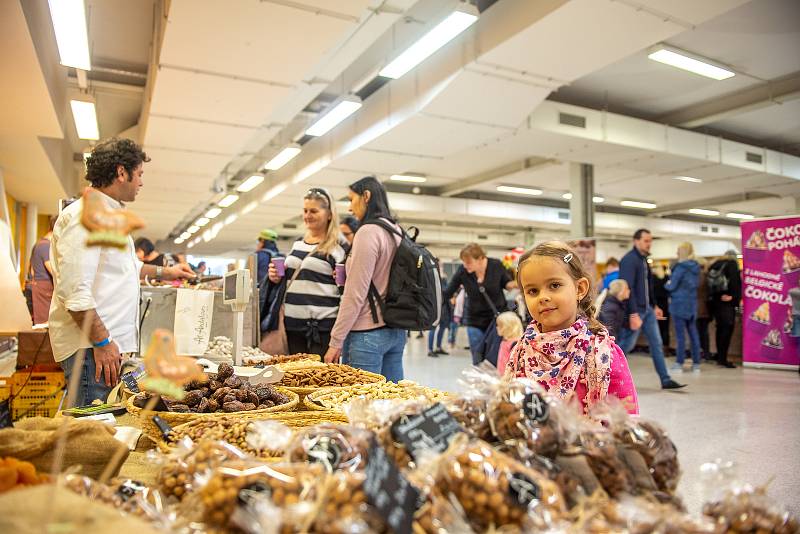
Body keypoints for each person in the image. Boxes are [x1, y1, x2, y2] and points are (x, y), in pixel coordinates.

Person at [49, 137, 195, 406]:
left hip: (104, 349)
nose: (141, 182)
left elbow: (129, 268)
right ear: (121, 172)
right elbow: (75, 293)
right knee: (92, 433)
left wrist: (169, 272)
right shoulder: (84, 219)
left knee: (109, 422)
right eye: (139, 174)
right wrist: (103, 343)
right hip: (92, 350)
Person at [509, 242, 638, 414]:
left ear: (580, 288)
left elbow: (627, 418)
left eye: (554, 285)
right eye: (533, 291)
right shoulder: (520, 353)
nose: (543, 297)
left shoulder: (603, 354)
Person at [323, 177, 405, 382]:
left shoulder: (368, 232)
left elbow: (355, 294)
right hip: (395, 331)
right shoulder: (396, 231)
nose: (350, 208)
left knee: (360, 408)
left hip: (367, 334)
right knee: (391, 404)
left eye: (352, 199)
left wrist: (336, 341)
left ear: (366, 196)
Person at [267, 188, 346, 356]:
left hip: (322, 328)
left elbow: (344, 290)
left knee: (318, 379)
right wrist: (274, 277)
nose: (307, 215)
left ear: (329, 214)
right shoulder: (297, 244)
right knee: (295, 378)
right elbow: (289, 279)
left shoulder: (338, 248)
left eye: (314, 211)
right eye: (305, 211)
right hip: (292, 325)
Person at [617, 229, 685, 390]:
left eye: (650, 240)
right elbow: (628, 288)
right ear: (636, 241)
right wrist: (633, 313)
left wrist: (654, 305)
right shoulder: (629, 260)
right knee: (625, 346)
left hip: (647, 310)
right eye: (646, 240)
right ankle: (607, 376)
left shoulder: (643, 260)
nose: (649, 243)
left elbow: (649, 286)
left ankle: (665, 379)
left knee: (657, 343)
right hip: (636, 310)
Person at [443, 243, 516, 364]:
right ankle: (479, 381)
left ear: (481, 258)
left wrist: (520, 283)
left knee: (496, 357)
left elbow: (507, 284)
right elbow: (448, 292)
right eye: (464, 262)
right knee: (477, 356)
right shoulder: (463, 271)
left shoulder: (496, 265)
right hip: (474, 319)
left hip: (497, 321)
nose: (465, 266)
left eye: (469, 262)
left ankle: (495, 382)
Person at [666, 243, 702, 373]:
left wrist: (667, 282)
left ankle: (679, 363)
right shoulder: (696, 268)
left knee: (680, 336)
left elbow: (672, 286)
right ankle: (696, 363)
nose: (676, 253)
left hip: (679, 304)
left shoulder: (680, 268)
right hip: (691, 304)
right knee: (693, 334)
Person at [707, 250, 741, 368]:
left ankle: (720, 356)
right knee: (727, 329)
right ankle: (723, 358)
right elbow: (735, 284)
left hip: (715, 303)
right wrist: (734, 298)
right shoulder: (732, 264)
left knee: (719, 328)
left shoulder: (715, 264)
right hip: (726, 304)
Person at [29, 216, 56, 324]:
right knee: (44, 324)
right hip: (44, 289)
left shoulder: (39, 244)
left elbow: (31, 270)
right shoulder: (46, 246)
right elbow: (53, 270)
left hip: (38, 286)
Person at [427, 266, 452, 358]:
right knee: (433, 328)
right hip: (435, 307)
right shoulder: (431, 276)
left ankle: (438, 347)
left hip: (444, 307)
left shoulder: (443, 278)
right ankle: (430, 349)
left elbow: (447, 291)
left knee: (443, 327)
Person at [495, 311, 523, 375]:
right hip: (502, 377)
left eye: (499, 326)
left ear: (506, 327)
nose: (497, 328)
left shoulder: (515, 344)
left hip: (509, 378)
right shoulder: (505, 342)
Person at [695, 260, 713, 361]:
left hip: (697, 308)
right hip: (705, 308)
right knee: (704, 333)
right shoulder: (708, 276)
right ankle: (706, 353)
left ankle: (699, 354)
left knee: (697, 333)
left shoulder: (697, 277)